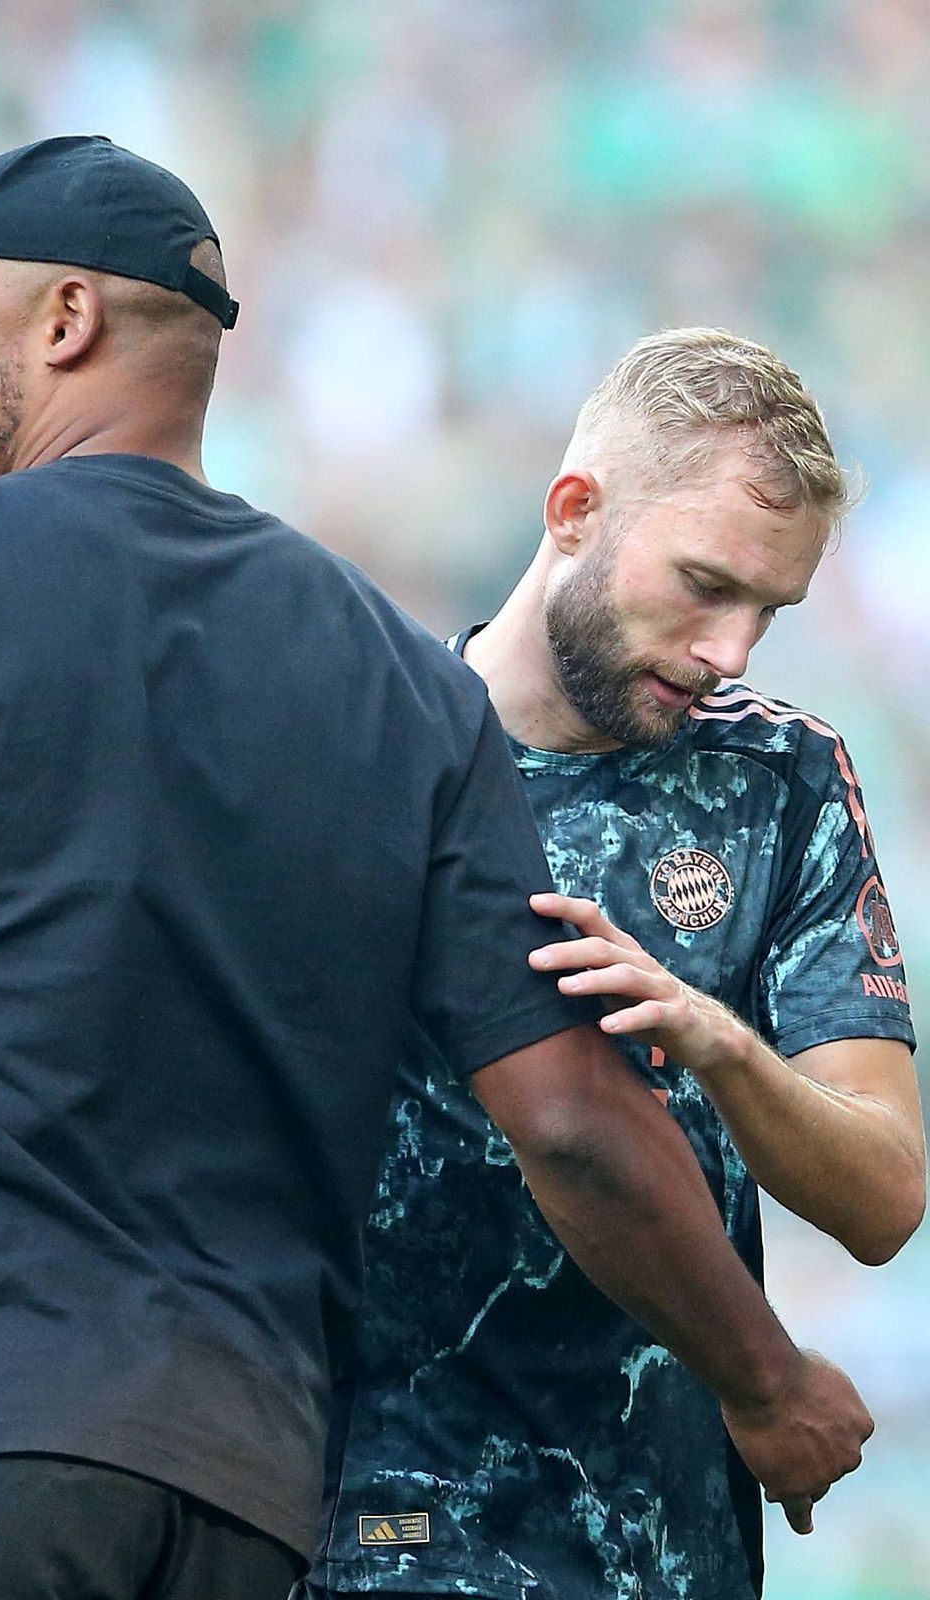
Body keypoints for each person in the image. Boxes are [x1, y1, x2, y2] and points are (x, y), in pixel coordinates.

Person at [0, 136, 872, 1600]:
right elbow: (576, 1116)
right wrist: (765, 1381)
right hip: (244, 1504)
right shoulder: (399, 676)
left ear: (66, 320)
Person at [292, 329, 924, 1600]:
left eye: (770, 611)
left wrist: (726, 1047)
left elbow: (883, 1198)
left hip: (664, 1545)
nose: (732, 651)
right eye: (704, 584)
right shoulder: (357, 744)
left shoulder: (783, 778)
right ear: (574, 510)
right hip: (379, 1534)